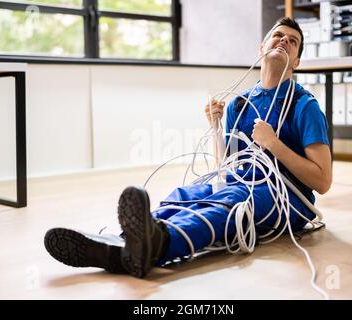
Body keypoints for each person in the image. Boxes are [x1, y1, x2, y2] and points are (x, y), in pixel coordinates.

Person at [44, 17, 332, 279]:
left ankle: (160, 243)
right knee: (189, 193)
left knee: (231, 202)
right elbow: (226, 169)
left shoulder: (304, 106)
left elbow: (322, 181)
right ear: (261, 48)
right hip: (243, 182)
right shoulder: (239, 104)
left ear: (297, 62)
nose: (283, 41)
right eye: (278, 36)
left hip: (287, 198)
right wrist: (216, 128)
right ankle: (122, 243)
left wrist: (274, 144)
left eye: (292, 42)